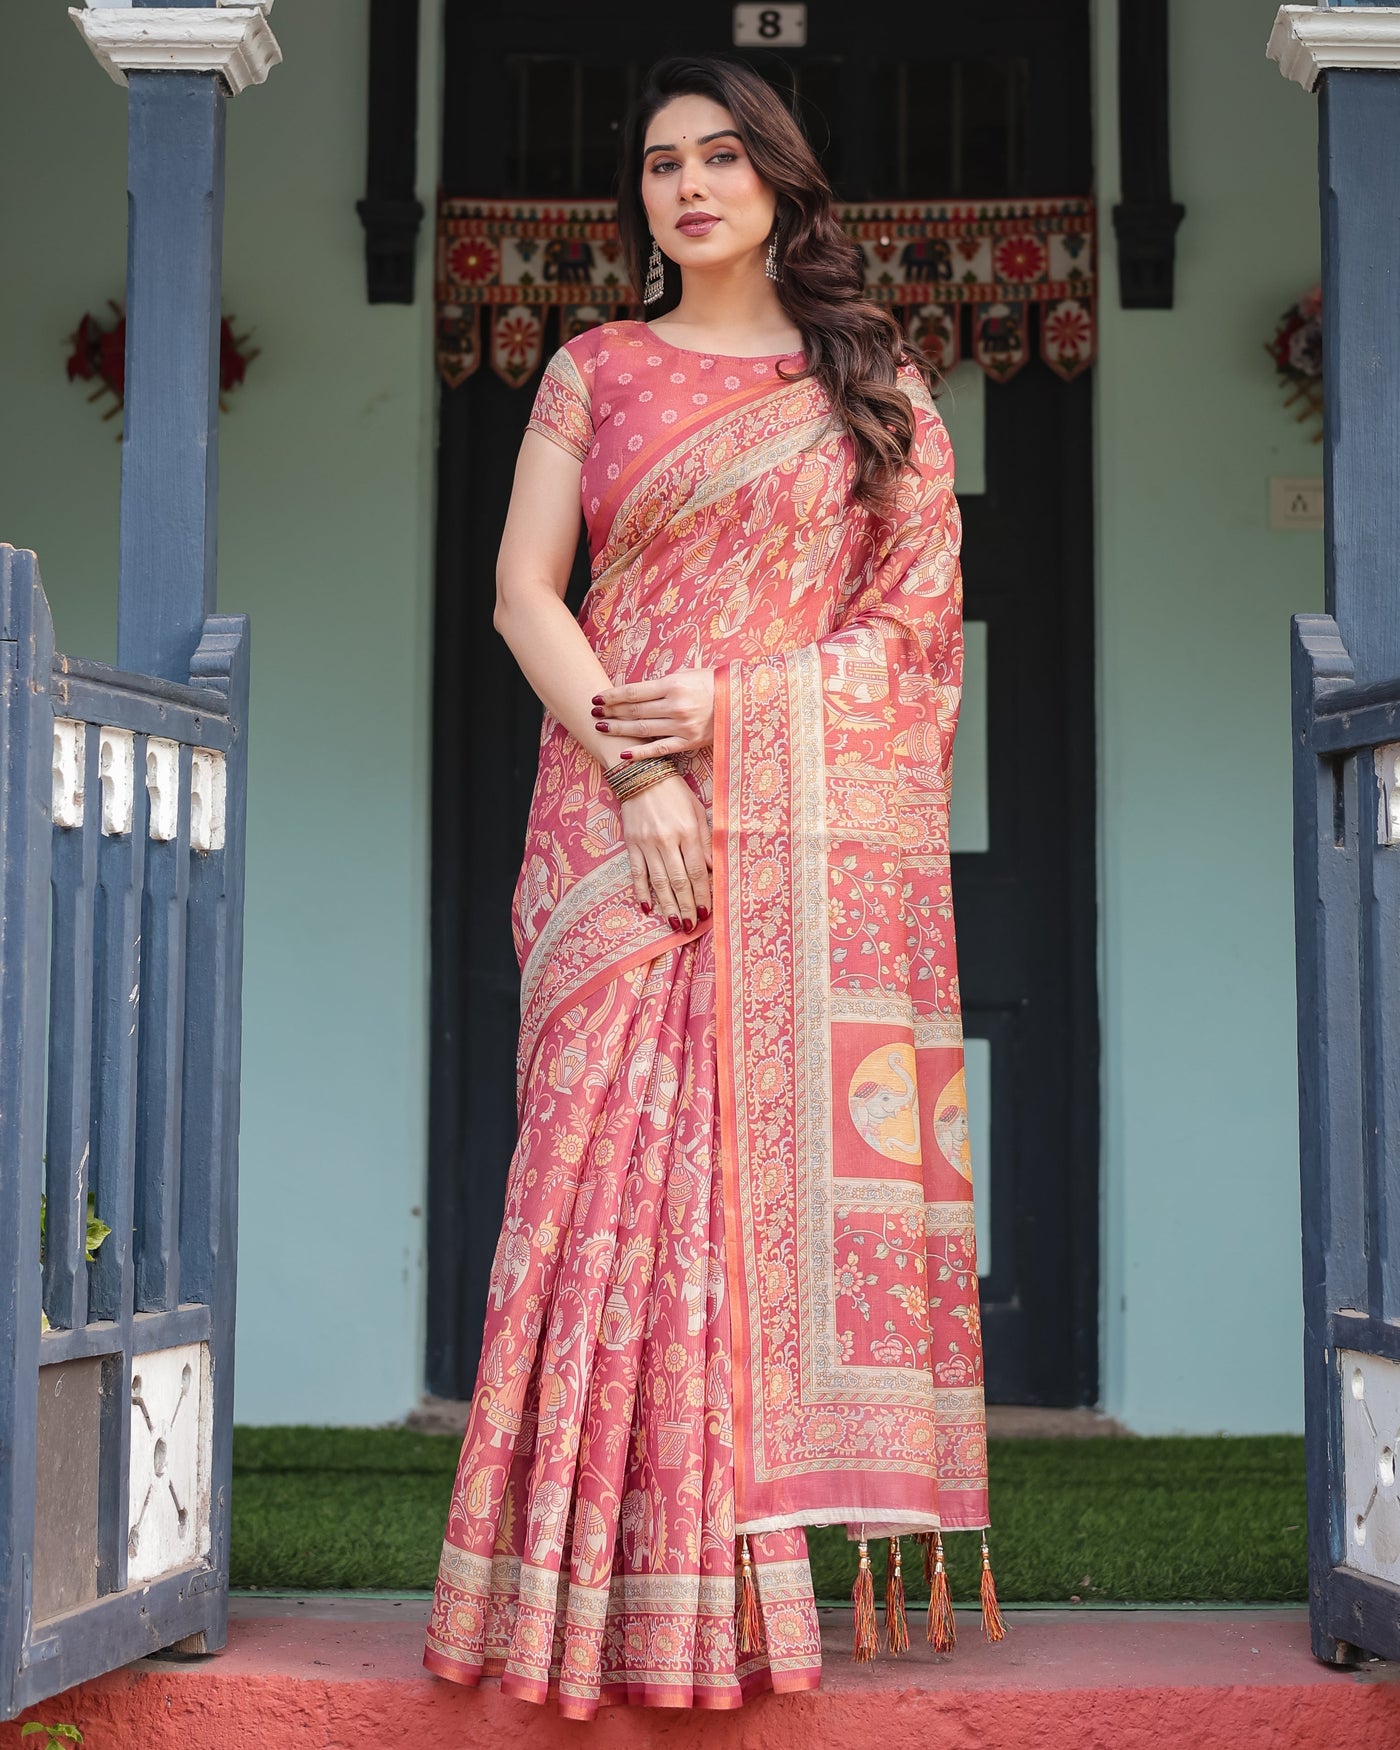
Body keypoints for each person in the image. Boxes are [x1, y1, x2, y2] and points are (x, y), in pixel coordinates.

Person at [423, 53, 997, 1720]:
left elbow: (909, 638)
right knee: (596, 1201)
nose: (689, 185)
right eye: (663, 162)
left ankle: (740, 1619)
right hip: (612, 829)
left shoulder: (872, 381)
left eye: (723, 157)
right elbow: (529, 592)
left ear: (780, 183)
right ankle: (567, 1613)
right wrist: (636, 766)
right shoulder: (592, 366)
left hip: (788, 846)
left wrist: (737, 718)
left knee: (742, 1214)